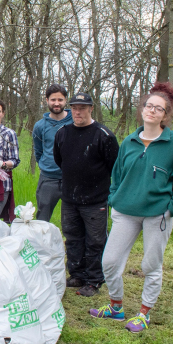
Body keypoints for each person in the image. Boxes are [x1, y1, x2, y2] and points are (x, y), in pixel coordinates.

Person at [90, 83, 173, 333]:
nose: (152, 111)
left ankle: (144, 313)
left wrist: (170, 208)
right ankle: (116, 308)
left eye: (159, 108)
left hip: (157, 214)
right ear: (142, 109)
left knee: (150, 265)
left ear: (165, 115)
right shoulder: (130, 141)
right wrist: (114, 199)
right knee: (110, 262)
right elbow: (117, 176)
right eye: (149, 106)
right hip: (125, 211)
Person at [53, 92, 119, 297]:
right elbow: (59, 160)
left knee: (95, 240)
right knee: (72, 237)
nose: (77, 111)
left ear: (91, 108)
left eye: (82, 108)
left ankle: (94, 279)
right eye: (74, 107)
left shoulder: (103, 135)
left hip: (95, 200)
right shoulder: (63, 133)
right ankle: (77, 274)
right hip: (70, 198)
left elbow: (114, 166)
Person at [32, 84, 72, 222]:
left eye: (60, 100)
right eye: (53, 100)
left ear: (65, 100)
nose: (56, 103)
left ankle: (70, 243)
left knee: (72, 219)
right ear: (47, 100)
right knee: (42, 217)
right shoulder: (39, 126)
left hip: (72, 179)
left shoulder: (75, 121)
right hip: (48, 178)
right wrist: (45, 164)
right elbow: (38, 150)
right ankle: (41, 243)